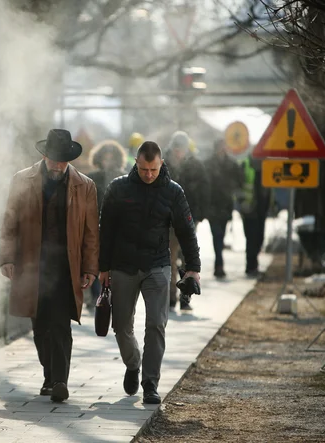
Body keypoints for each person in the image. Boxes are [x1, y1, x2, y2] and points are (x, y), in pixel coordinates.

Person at [0, 129, 99, 403]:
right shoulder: (22, 180)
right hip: (32, 264)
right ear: (44, 155)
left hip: (68, 265)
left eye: (62, 160)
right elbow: (10, 222)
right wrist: (7, 258)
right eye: (53, 159)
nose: (57, 165)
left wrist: (90, 268)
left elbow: (91, 232)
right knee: (40, 324)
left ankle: (60, 381)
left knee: (61, 324)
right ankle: (49, 375)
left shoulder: (85, 185)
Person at [98, 141, 201, 404]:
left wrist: (193, 269)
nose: (149, 175)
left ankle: (150, 383)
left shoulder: (173, 192)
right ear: (136, 162)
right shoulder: (118, 188)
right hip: (123, 265)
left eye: (154, 170)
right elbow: (105, 230)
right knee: (121, 327)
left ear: (161, 164)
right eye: (144, 169)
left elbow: (186, 232)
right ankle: (133, 364)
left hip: (158, 265)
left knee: (156, 324)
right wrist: (103, 267)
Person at [163, 131, 209, 311]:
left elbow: (204, 190)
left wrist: (201, 213)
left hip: (189, 219)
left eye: (181, 148)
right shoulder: (163, 164)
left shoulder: (195, 165)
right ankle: (170, 298)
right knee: (170, 259)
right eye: (176, 148)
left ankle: (185, 297)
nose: (178, 152)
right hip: (169, 220)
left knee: (187, 259)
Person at [85, 140, 128, 308]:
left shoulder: (124, 178)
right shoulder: (92, 179)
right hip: (96, 225)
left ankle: (114, 294)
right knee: (97, 261)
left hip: (119, 227)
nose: (108, 161)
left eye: (111, 158)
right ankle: (97, 295)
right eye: (105, 158)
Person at [204, 139, 245, 278]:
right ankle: (219, 264)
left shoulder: (231, 164)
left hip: (226, 205)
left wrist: (233, 190)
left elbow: (240, 180)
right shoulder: (208, 164)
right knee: (217, 235)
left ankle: (219, 262)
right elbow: (203, 183)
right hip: (212, 206)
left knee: (221, 235)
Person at [237, 154, 271, 277]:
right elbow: (238, 185)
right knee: (251, 238)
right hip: (249, 209)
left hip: (262, 209)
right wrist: (241, 203)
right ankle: (251, 266)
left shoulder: (268, 164)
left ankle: (253, 264)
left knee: (259, 238)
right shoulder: (245, 164)